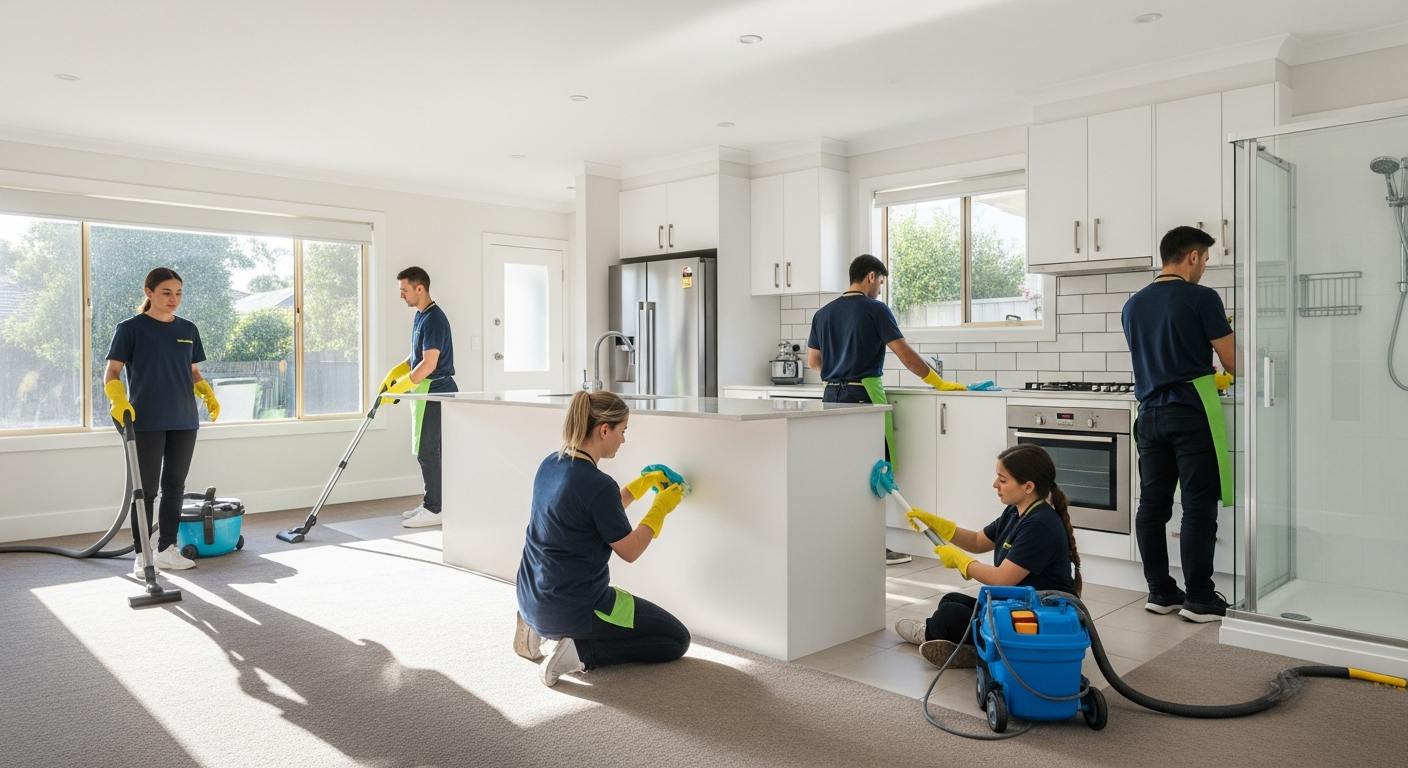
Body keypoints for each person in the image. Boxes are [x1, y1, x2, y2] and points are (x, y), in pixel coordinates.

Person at [513, 390, 691, 687]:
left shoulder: (551, 463)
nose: (623, 440)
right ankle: (581, 653)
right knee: (676, 639)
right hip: (575, 608)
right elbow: (630, 550)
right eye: (623, 431)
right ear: (604, 430)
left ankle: (535, 626)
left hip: (530, 595)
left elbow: (593, 513)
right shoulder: (598, 485)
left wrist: (638, 487)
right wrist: (660, 508)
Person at [807, 254, 967, 566]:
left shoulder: (823, 313)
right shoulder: (875, 309)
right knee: (872, 473)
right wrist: (938, 383)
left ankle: (842, 545)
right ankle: (872, 549)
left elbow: (814, 362)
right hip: (863, 397)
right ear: (871, 276)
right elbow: (906, 356)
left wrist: (840, 369)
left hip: (830, 396)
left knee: (842, 474)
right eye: (881, 282)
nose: (880, 288)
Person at [1121, 226, 1237, 623]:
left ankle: (1160, 591)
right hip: (1189, 412)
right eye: (1205, 259)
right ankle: (1200, 599)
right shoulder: (1202, 298)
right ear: (1192, 255)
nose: (1204, 268)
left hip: (1149, 415)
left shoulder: (1133, 304)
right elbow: (1232, 361)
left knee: (1152, 506)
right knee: (1198, 507)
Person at [893, 444, 1081, 668]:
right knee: (951, 600)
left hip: (1038, 620)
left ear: (1028, 486)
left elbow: (1002, 579)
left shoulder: (1039, 525)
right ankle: (975, 651)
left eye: (1002, 480)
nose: (995, 485)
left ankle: (933, 634)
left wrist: (961, 561)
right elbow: (977, 541)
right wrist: (938, 525)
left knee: (948, 616)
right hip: (1017, 607)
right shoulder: (1015, 511)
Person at [104, 267, 221, 577]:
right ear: (149, 292)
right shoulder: (130, 328)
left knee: (174, 487)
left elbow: (192, 370)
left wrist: (206, 392)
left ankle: (167, 549)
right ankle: (142, 554)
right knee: (145, 491)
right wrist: (118, 399)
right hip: (144, 418)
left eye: (178, 293)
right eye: (167, 292)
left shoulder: (188, 329)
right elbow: (113, 371)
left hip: (184, 418)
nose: (174, 299)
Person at [378, 266, 457, 528]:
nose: (401, 295)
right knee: (427, 450)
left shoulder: (434, 319)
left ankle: (435, 509)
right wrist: (396, 372)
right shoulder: (421, 315)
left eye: (404, 290)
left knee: (428, 451)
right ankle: (433, 503)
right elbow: (417, 356)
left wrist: (400, 388)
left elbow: (429, 364)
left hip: (436, 391)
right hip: (426, 390)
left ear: (419, 288)